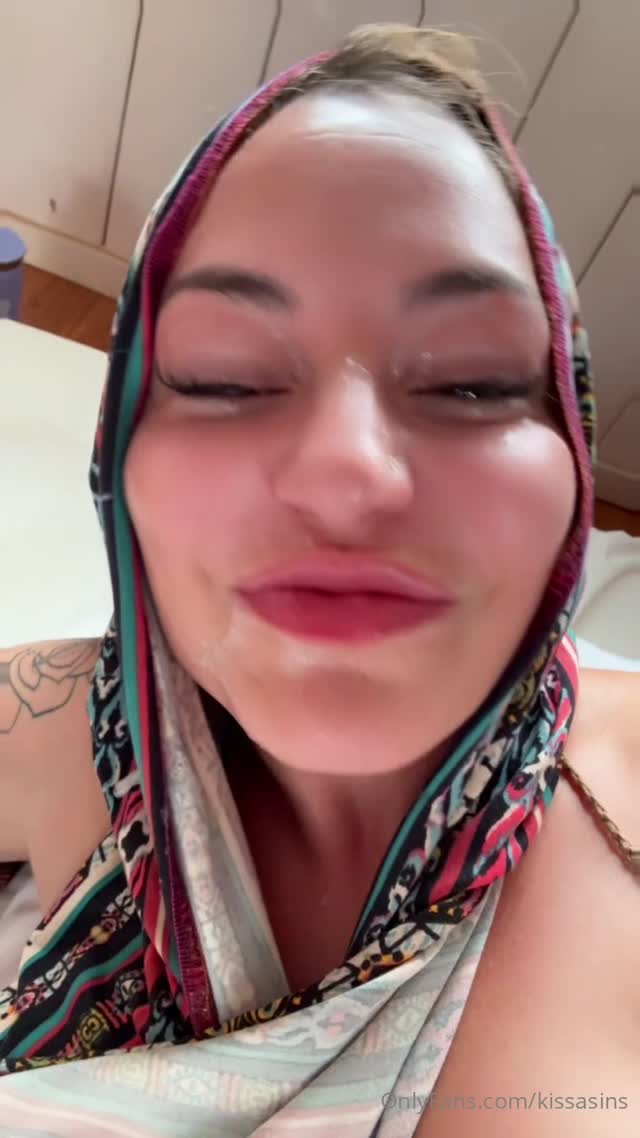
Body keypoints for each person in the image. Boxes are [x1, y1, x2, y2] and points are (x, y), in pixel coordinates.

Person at [0, 22, 637, 1137]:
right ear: (119, 457)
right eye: (226, 376)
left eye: (474, 382)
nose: (348, 471)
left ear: (576, 458)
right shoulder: (38, 721)